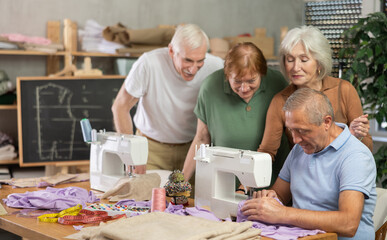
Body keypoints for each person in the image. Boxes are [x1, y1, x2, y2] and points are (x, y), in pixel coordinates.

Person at [241, 88, 376, 240]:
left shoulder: (355, 156)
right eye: (291, 130)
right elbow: (280, 194)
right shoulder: (301, 148)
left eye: (302, 131)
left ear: (326, 122)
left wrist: (282, 213)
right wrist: (270, 199)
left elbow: (348, 224)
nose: (295, 139)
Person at [112, 24, 224, 174]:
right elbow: (120, 106)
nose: (193, 69)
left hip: (193, 149)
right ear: (171, 51)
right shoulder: (149, 63)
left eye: (200, 61)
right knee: (145, 194)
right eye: (188, 60)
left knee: (191, 197)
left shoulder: (216, 66)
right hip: (151, 149)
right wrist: (131, 154)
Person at [182, 42, 290, 188]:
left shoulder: (278, 83)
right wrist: (181, 181)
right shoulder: (210, 87)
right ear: (227, 75)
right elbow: (201, 139)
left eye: (252, 81)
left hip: (272, 182)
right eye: (237, 81)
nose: (244, 88)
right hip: (226, 181)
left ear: (262, 73)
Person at [258, 26, 372, 163]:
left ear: (319, 62)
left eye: (304, 60)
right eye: (290, 59)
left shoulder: (344, 90)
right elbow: (267, 152)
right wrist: (246, 182)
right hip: (304, 174)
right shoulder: (280, 101)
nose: (295, 67)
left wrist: (358, 135)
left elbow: (366, 148)